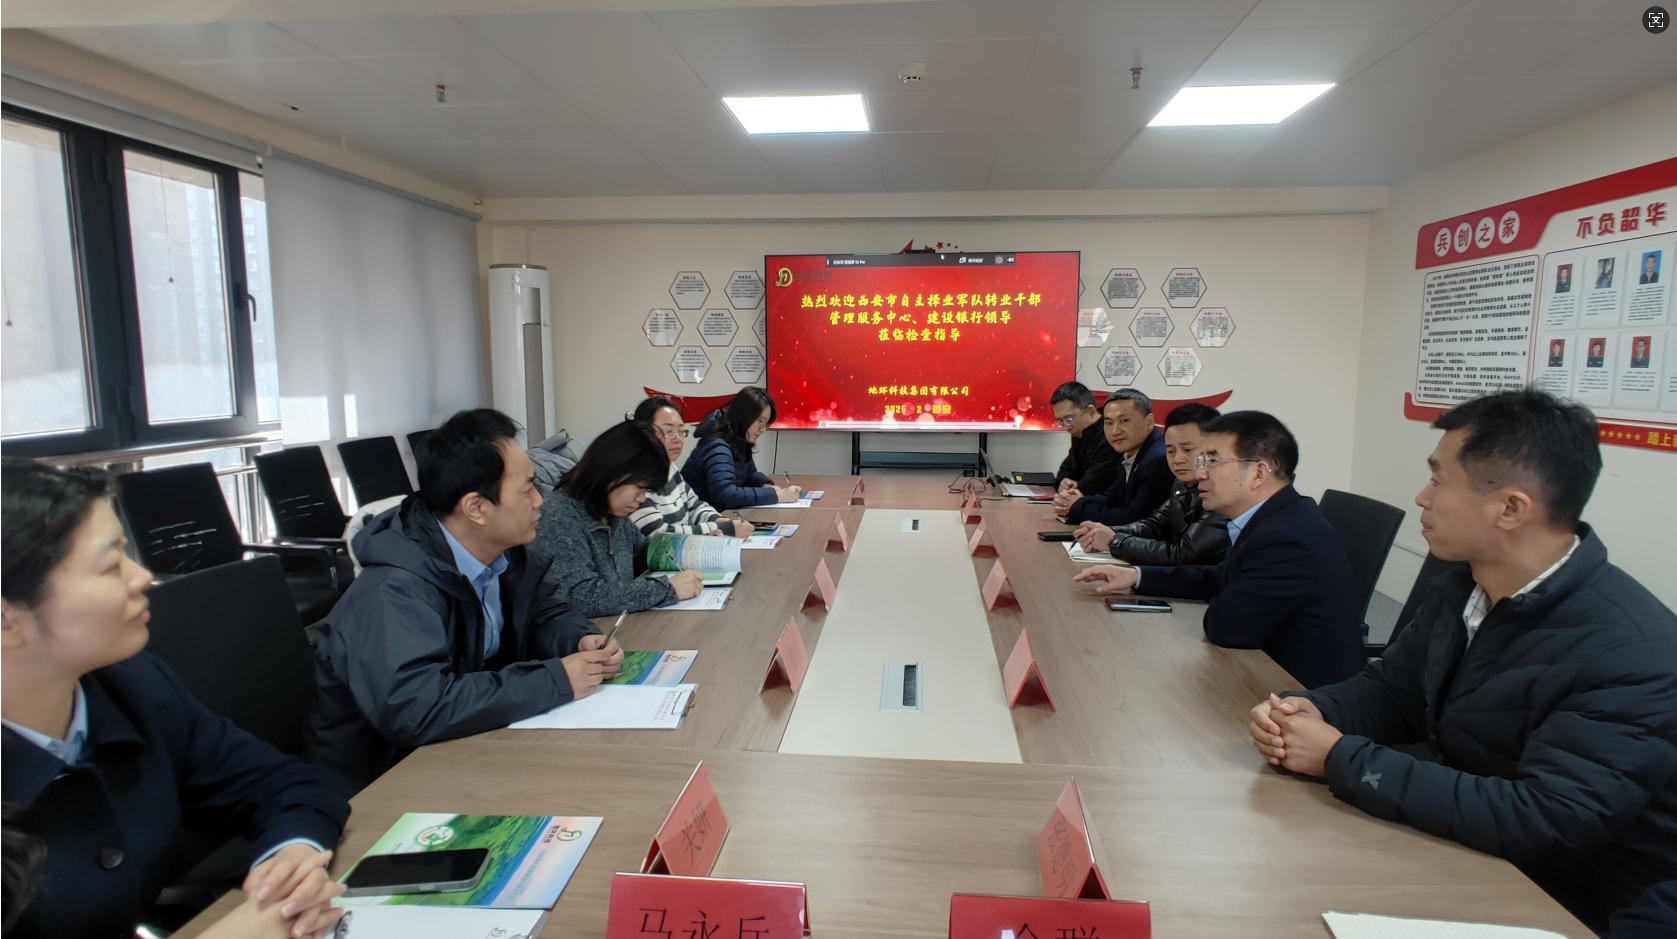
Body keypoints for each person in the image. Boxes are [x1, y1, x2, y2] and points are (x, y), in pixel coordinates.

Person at [1245, 389, 1677, 932]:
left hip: (1564, 903)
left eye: (1439, 480)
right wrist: (1308, 712)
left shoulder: (1631, 651)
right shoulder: (1466, 587)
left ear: (1511, 508)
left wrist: (1339, 758)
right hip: (1457, 842)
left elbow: (1545, 819)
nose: (1421, 497)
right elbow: (1392, 691)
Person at [1, 459, 348, 939]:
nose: (143, 575)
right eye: (110, 565)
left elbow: (281, 783)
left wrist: (289, 857)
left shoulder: (133, 687)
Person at [305, 409, 621, 793]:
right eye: (527, 489)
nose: (540, 500)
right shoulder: (393, 590)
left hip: (463, 749)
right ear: (476, 508)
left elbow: (546, 610)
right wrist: (554, 680)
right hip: (379, 786)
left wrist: (578, 639)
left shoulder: (505, 552)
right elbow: (419, 709)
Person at [1074, 410, 1364, 688]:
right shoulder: (1277, 516)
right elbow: (1219, 576)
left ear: (1258, 473)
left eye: (1212, 461)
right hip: (1267, 672)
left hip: (1302, 694)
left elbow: (1225, 626)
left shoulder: (1286, 537)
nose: (1201, 473)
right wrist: (1137, 576)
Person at [533, 421, 705, 617]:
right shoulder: (559, 515)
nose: (642, 499)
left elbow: (645, 555)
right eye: (640, 488)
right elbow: (581, 597)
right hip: (590, 633)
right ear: (613, 471)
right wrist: (667, 589)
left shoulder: (613, 513)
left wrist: (697, 550)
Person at [1072, 403, 1230, 566]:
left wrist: (1114, 541)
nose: (1178, 459)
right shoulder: (1181, 483)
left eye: (1188, 450)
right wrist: (1105, 532)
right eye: (1171, 451)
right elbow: (1155, 525)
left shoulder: (1223, 491)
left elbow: (1184, 555)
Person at [628, 397, 752, 539]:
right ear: (644, 433)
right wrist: (722, 528)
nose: (677, 439)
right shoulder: (634, 478)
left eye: (681, 432)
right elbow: (657, 535)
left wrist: (717, 520)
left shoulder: (670, 467)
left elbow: (694, 506)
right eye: (669, 431)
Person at [1059, 389, 1173, 527]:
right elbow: (1113, 496)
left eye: (1124, 421)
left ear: (1149, 422)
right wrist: (1075, 501)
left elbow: (1134, 519)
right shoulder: (1130, 450)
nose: (1115, 431)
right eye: (1109, 423)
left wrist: (1078, 506)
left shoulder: (1157, 460)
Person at [681, 387, 800, 509]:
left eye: (765, 424)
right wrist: (776, 495)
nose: (763, 430)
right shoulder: (717, 446)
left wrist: (766, 485)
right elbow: (725, 494)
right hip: (698, 517)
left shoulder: (738, 440)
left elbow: (749, 474)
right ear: (744, 416)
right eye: (760, 422)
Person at [1049, 381, 1120, 497]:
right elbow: (1066, 469)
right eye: (1061, 421)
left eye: (1068, 419)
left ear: (1091, 411)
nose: (1066, 427)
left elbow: (1093, 484)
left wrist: (1075, 487)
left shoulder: (1111, 435)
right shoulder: (1079, 433)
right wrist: (1063, 482)